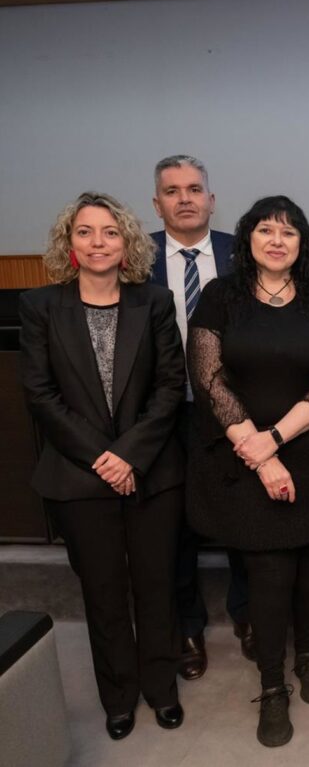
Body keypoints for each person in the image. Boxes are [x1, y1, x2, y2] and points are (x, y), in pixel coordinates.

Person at [187, 196, 309, 747]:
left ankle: (308, 657)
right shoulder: (220, 297)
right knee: (267, 575)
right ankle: (270, 686)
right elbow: (209, 379)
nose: (277, 240)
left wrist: (277, 440)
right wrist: (258, 451)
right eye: (266, 230)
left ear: (301, 243)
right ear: (249, 239)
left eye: (289, 232)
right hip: (242, 459)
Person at [21, 192, 186, 740]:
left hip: (152, 474)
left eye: (110, 233)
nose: (98, 243)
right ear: (69, 243)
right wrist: (102, 458)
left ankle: (161, 690)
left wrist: (129, 455)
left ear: (127, 243)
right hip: (78, 477)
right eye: (86, 232)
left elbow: (169, 387)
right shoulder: (42, 306)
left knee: (156, 586)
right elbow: (41, 397)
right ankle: (118, 697)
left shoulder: (155, 302)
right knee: (104, 592)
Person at [149, 154, 253, 676]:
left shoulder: (244, 255)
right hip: (162, 418)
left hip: (235, 414)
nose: (184, 198)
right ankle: (187, 625)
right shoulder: (134, 259)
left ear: (212, 200)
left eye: (194, 189)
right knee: (174, 529)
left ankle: (247, 612)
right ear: (157, 203)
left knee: (242, 516)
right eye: (172, 190)